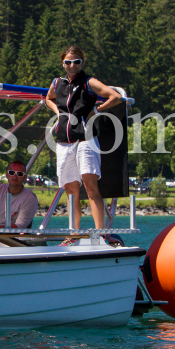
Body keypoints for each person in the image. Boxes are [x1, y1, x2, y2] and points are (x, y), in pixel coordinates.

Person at [45, 45, 122, 245]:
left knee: (90, 186)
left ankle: (101, 233)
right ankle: (73, 234)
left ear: (82, 63)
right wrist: (58, 113)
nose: (72, 65)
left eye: (76, 62)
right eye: (68, 62)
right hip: (64, 140)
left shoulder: (89, 82)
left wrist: (98, 110)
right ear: (62, 63)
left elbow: (116, 96)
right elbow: (48, 98)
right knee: (70, 188)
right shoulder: (57, 82)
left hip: (86, 139)